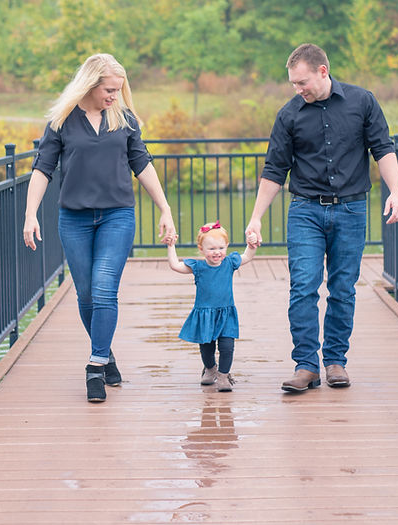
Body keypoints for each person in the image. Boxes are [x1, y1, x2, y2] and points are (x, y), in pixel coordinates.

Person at [245, 43, 398, 393]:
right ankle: (306, 366)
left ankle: (335, 362)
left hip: (351, 209)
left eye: (302, 82)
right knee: (303, 286)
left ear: (322, 71)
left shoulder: (362, 102)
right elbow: (275, 169)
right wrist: (256, 218)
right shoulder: (289, 115)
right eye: (293, 83)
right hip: (305, 210)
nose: (297, 89)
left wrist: (396, 191)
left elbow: (383, 148)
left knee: (343, 288)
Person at [23, 53, 176, 403]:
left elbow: (142, 163)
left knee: (105, 288)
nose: (114, 96)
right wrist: (30, 214)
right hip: (74, 220)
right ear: (90, 85)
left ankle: (94, 366)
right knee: (87, 295)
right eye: (109, 90)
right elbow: (43, 168)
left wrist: (165, 208)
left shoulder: (125, 119)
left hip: (116, 216)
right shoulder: (62, 121)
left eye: (118, 90)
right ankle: (105, 353)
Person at [165, 222, 259, 392]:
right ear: (201, 249)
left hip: (226, 314)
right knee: (206, 349)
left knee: (227, 347)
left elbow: (247, 256)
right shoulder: (198, 267)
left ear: (227, 246)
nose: (217, 252)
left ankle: (223, 376)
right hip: (205, 315)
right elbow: (175, 265)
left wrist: (251, 245)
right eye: (211, 248)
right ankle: (210, 369)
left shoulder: (229, 263)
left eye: (221, 248)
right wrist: (171, 246)